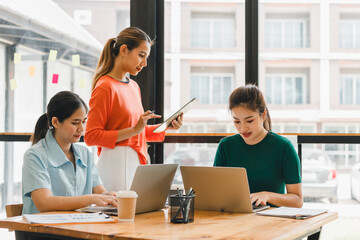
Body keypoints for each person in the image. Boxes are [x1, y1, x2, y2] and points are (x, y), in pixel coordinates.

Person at [85, 27, 182, 191]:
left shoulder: (133, 86)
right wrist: (134, 130)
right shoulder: (105, 87)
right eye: (141, 55)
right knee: (120, 214)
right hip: (115, 164)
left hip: (135, 162)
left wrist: (165, 127)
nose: (144, 63)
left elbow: (137, 132)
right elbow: (91, 137)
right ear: (124, 50)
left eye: (146, 57)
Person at [22, 91, 117, 214]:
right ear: (55, 122)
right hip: (44, 230)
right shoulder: (34, 155)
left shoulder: (85, 154)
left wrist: (110, 196)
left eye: (84, 121)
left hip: (77, 227)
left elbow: (100, 192)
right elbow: (44, 203)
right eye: (75, 122)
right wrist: (91, 198)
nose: (82, 129)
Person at [213, 84, 303, 208]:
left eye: (249, 121)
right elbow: (216, 191)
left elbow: (297, 201)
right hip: (233, 218)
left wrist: (267, 196)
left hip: (271, 221)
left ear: (263, 114)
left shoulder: (284, 147)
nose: (243, 128)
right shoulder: (225, 146)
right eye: (236, 121)